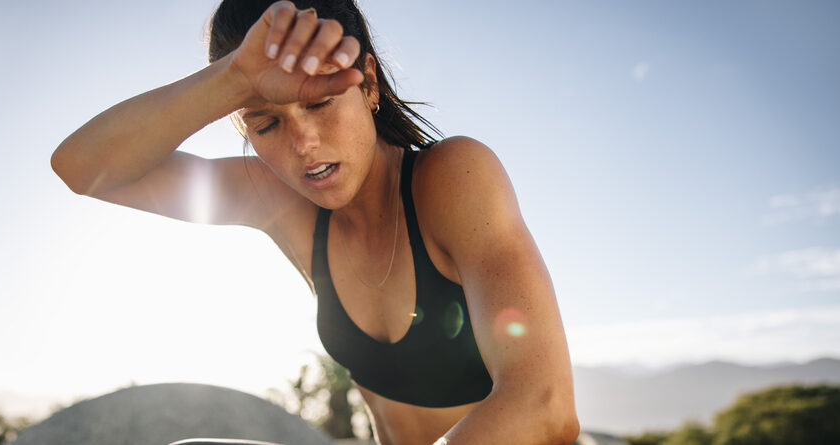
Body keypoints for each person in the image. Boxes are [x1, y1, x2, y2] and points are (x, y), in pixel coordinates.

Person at [51, 1, 579, 444]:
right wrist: (233, 79)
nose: (303, 144)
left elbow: (545, 404)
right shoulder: (277, 201)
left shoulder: (452, 178)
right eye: (266, 122)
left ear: (368, 84)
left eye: (322, 102)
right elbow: (83, 168)